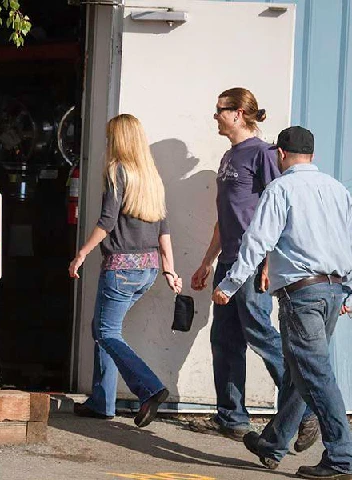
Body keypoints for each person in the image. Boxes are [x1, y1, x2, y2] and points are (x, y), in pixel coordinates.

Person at [212, 126, 352, 479]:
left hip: (302, 293)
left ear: (281, 154)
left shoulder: (281, 188)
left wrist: (230, 284)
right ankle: (273, 443)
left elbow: (256, 242)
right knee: (297, 371)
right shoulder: (338, 190)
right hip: (333, 290)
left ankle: (341, 456)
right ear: (313, 155)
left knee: (315, 374)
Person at [189, 88, 318, 449]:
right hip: (229, 261)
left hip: (253, 262)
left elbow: (278, 211)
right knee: (224, 339)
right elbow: (225, 215)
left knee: (260, 333)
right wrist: (207, 260)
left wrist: (269, 262)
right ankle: (231, 417)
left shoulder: (261, 153)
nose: (215, 116)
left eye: (220, 110)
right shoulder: (230, 155)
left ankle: (305, 411)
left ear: (238, 113)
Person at [69, 113, 182, 427]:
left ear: (117, 139)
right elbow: (164, 229)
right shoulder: (150, 176)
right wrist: (169, 270)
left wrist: (82, 253)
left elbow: (107, 221)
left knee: (105, 331)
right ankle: (102, 401)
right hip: (147, 269)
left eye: (109, 137)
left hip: (121, 270)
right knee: (105, 329)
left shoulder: (117, 171)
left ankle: (149, 389)